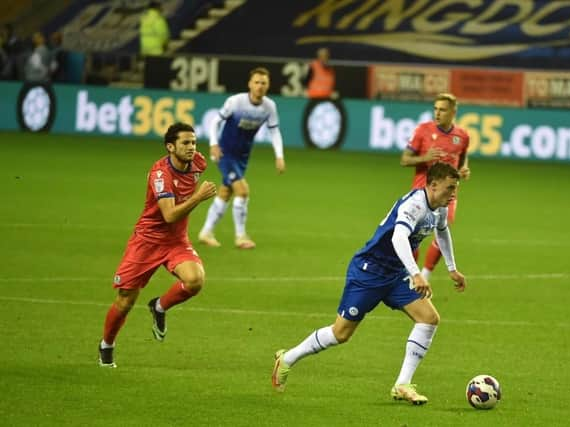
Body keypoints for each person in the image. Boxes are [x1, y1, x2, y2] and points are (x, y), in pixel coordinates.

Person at [272, 162, 467, 405]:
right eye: (450, 188)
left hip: (395, 274)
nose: (453, 194)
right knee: (341, 333)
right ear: (434, 185)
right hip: (369, 271)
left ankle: (402, 384)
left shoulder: (439, 208)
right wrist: (416, 273)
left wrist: (451, 268)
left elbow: (442, 231)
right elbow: (398, 237)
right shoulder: (415, 204)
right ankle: (287, 359)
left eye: (455, 189)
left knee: (429, 318)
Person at [98, 123, 217, 368]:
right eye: (185, 143)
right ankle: (106, 346)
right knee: (125, 301)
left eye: (194, 142)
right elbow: (170, 215)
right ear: (170, 147)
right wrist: (197, 197)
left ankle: (159, 306)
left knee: (195, 280)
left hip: (176, 242)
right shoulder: (160, 174)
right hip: (147, 241)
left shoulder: (198, 163)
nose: (191, 148)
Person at [198, 67, 286, 249]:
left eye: (263, 83)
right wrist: (213, 144)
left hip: (242, 156)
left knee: (225, 192)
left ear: (268, 85)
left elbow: (274, 131)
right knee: (243, 191)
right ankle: (240, 237)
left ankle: (206, 232)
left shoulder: (269, 106)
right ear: (249, 84)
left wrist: (279, 156)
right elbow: (216, 121)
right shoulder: (236, 102)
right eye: (256, 82)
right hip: (225, 153)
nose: (260, 86)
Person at [400, 93, 470, 280]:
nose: (437, 113)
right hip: (421, 193)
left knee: (442, 230)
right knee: (412, 238)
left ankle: (425, 274)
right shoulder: (422, 130)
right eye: (435, 109)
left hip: (447, 195)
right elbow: (405, 159)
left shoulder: (462, 136)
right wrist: (425, 158)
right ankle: (409, 274)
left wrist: (463, 170)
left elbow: (462, 160)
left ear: (453, 112)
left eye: (442, 109)